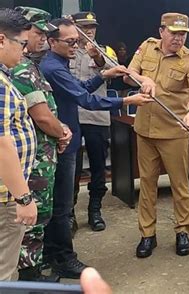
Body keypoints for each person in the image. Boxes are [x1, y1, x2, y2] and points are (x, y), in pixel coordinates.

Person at [39, 17, 152, 279]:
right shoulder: (53, 67)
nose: (76, 45)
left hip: (71, 136)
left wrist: (104, 74)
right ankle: (64, 259)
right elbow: (84, 99)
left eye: (78, 41)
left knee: (66, 199)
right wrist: (127, 99)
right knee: (63, 205)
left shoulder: (59, 63)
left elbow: (78, 88)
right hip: (63, 141)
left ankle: (55, 252)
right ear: (51, 41)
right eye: (71, 41)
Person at [123, 12, 189, 258]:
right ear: (161, 31)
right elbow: (126, 74)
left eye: (183, 34)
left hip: (174, 131)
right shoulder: (146, 48)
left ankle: (182, 231)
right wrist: (142, 78)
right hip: (145, 130)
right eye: (174, 33)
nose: (178, 39)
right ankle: (147, 234)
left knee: (180, 184)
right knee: (147, 184)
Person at [10, 7, 72, 281]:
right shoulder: (23, 70)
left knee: (41, 218)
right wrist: (61, 133)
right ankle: (30, 278)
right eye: (37, 34)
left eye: (46, 35)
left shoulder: (31, 66)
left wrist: (61, 131)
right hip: (34, 165)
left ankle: (34, 270)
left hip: (42, 156)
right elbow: (43, 117)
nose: (43, 40)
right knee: (32, 220)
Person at [70, 11, 117, 234]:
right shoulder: (65, 51)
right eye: (84, 27)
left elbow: (111, 69)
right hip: (72, 116)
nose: (89, 31)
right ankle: (69, 213)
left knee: (99, 166)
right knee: (72, 166)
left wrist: (96, 56)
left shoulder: (104, 50)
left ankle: (95, 209)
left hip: (97, 116)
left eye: (93, 27)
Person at [0, 8, 38, 281]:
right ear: (2, 40)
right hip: (6, 198)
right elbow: (2, 145)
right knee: (4, 270)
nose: (24, 51)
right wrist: (23, 198)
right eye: (22, 44)